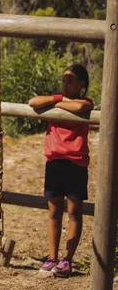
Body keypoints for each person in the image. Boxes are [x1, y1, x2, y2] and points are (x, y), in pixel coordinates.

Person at [28, 64, 93, 278]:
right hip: (54, 163)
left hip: (76, 164)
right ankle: (52, 257)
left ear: (82, 84)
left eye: (70, 81)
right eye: (64, 80)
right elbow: (33, 102)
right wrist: (58, 98)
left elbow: (78, 108)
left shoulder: (86, 103)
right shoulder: (56, 102)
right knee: (54, 213)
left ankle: (67, 260)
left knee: (74, 213)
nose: (65, 84)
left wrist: (60, 102)